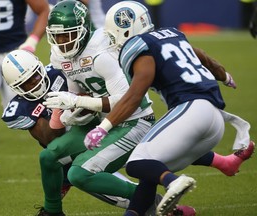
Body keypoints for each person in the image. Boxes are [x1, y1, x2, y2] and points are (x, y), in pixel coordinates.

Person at [83, 1, 255, 215]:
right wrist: (224, 75)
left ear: (125, 27)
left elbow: (135, 95)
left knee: (136, 163)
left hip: (192, 111)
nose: (113, 40)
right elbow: (201, 55)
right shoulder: (171, 33)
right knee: (149, 170)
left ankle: (173, 182)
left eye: (113, 34)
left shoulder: (139, 45)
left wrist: (104, 127)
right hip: (215, 121)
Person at [42, 1, 198, 216]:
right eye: (57, 36)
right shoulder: (59, 55)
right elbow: (77, 91)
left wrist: (78, 102)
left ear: (83, 29)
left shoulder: (101, 52)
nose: (62, 42)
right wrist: (72, 112)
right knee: (48, 157)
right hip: (101, 121)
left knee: (79, 174)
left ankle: (151, 199)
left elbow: (124, 99)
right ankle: (52, 212)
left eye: (67, 35)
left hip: (133, 120)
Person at [1, 49, 145, 215]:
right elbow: (50, 138)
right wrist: (58, 112)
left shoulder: (59, 71)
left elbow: (93, 93)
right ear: (15, 88)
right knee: (131, 199)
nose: (34, 84)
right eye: (26, 83)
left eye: (35, 76)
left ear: (40, 68)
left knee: (140, 162)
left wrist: (81, 102)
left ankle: (165, 184)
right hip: (69, 155)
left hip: (98, 129)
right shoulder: (19, 108)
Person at [0, 0, 50, 180]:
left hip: (16, 51)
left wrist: (32, 41)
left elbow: (44, 10)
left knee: (30, 108)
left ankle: (55, 154)